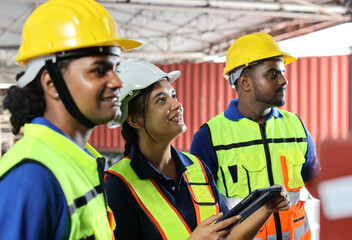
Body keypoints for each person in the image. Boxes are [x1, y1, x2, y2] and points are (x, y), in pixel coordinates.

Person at [0, 0, 141, 239]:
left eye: (116, 68)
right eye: (99, 70)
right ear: (52, 83)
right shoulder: (32, 178)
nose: (117, 81)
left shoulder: (77, 161)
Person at [105, 59, 291, 240]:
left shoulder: (197, 167)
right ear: (134, 119)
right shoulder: (117, 185)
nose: (177, 105)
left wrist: (265, 209)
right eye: (161, 100)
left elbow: (226, 235)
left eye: (174, 96)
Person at [190, 32, 321, 240]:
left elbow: (316, 183)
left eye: (283, 72)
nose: (284, 80)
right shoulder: (209, 137)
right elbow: (201, 211)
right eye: (273, 74)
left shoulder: (296, 126)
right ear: (245, 82)